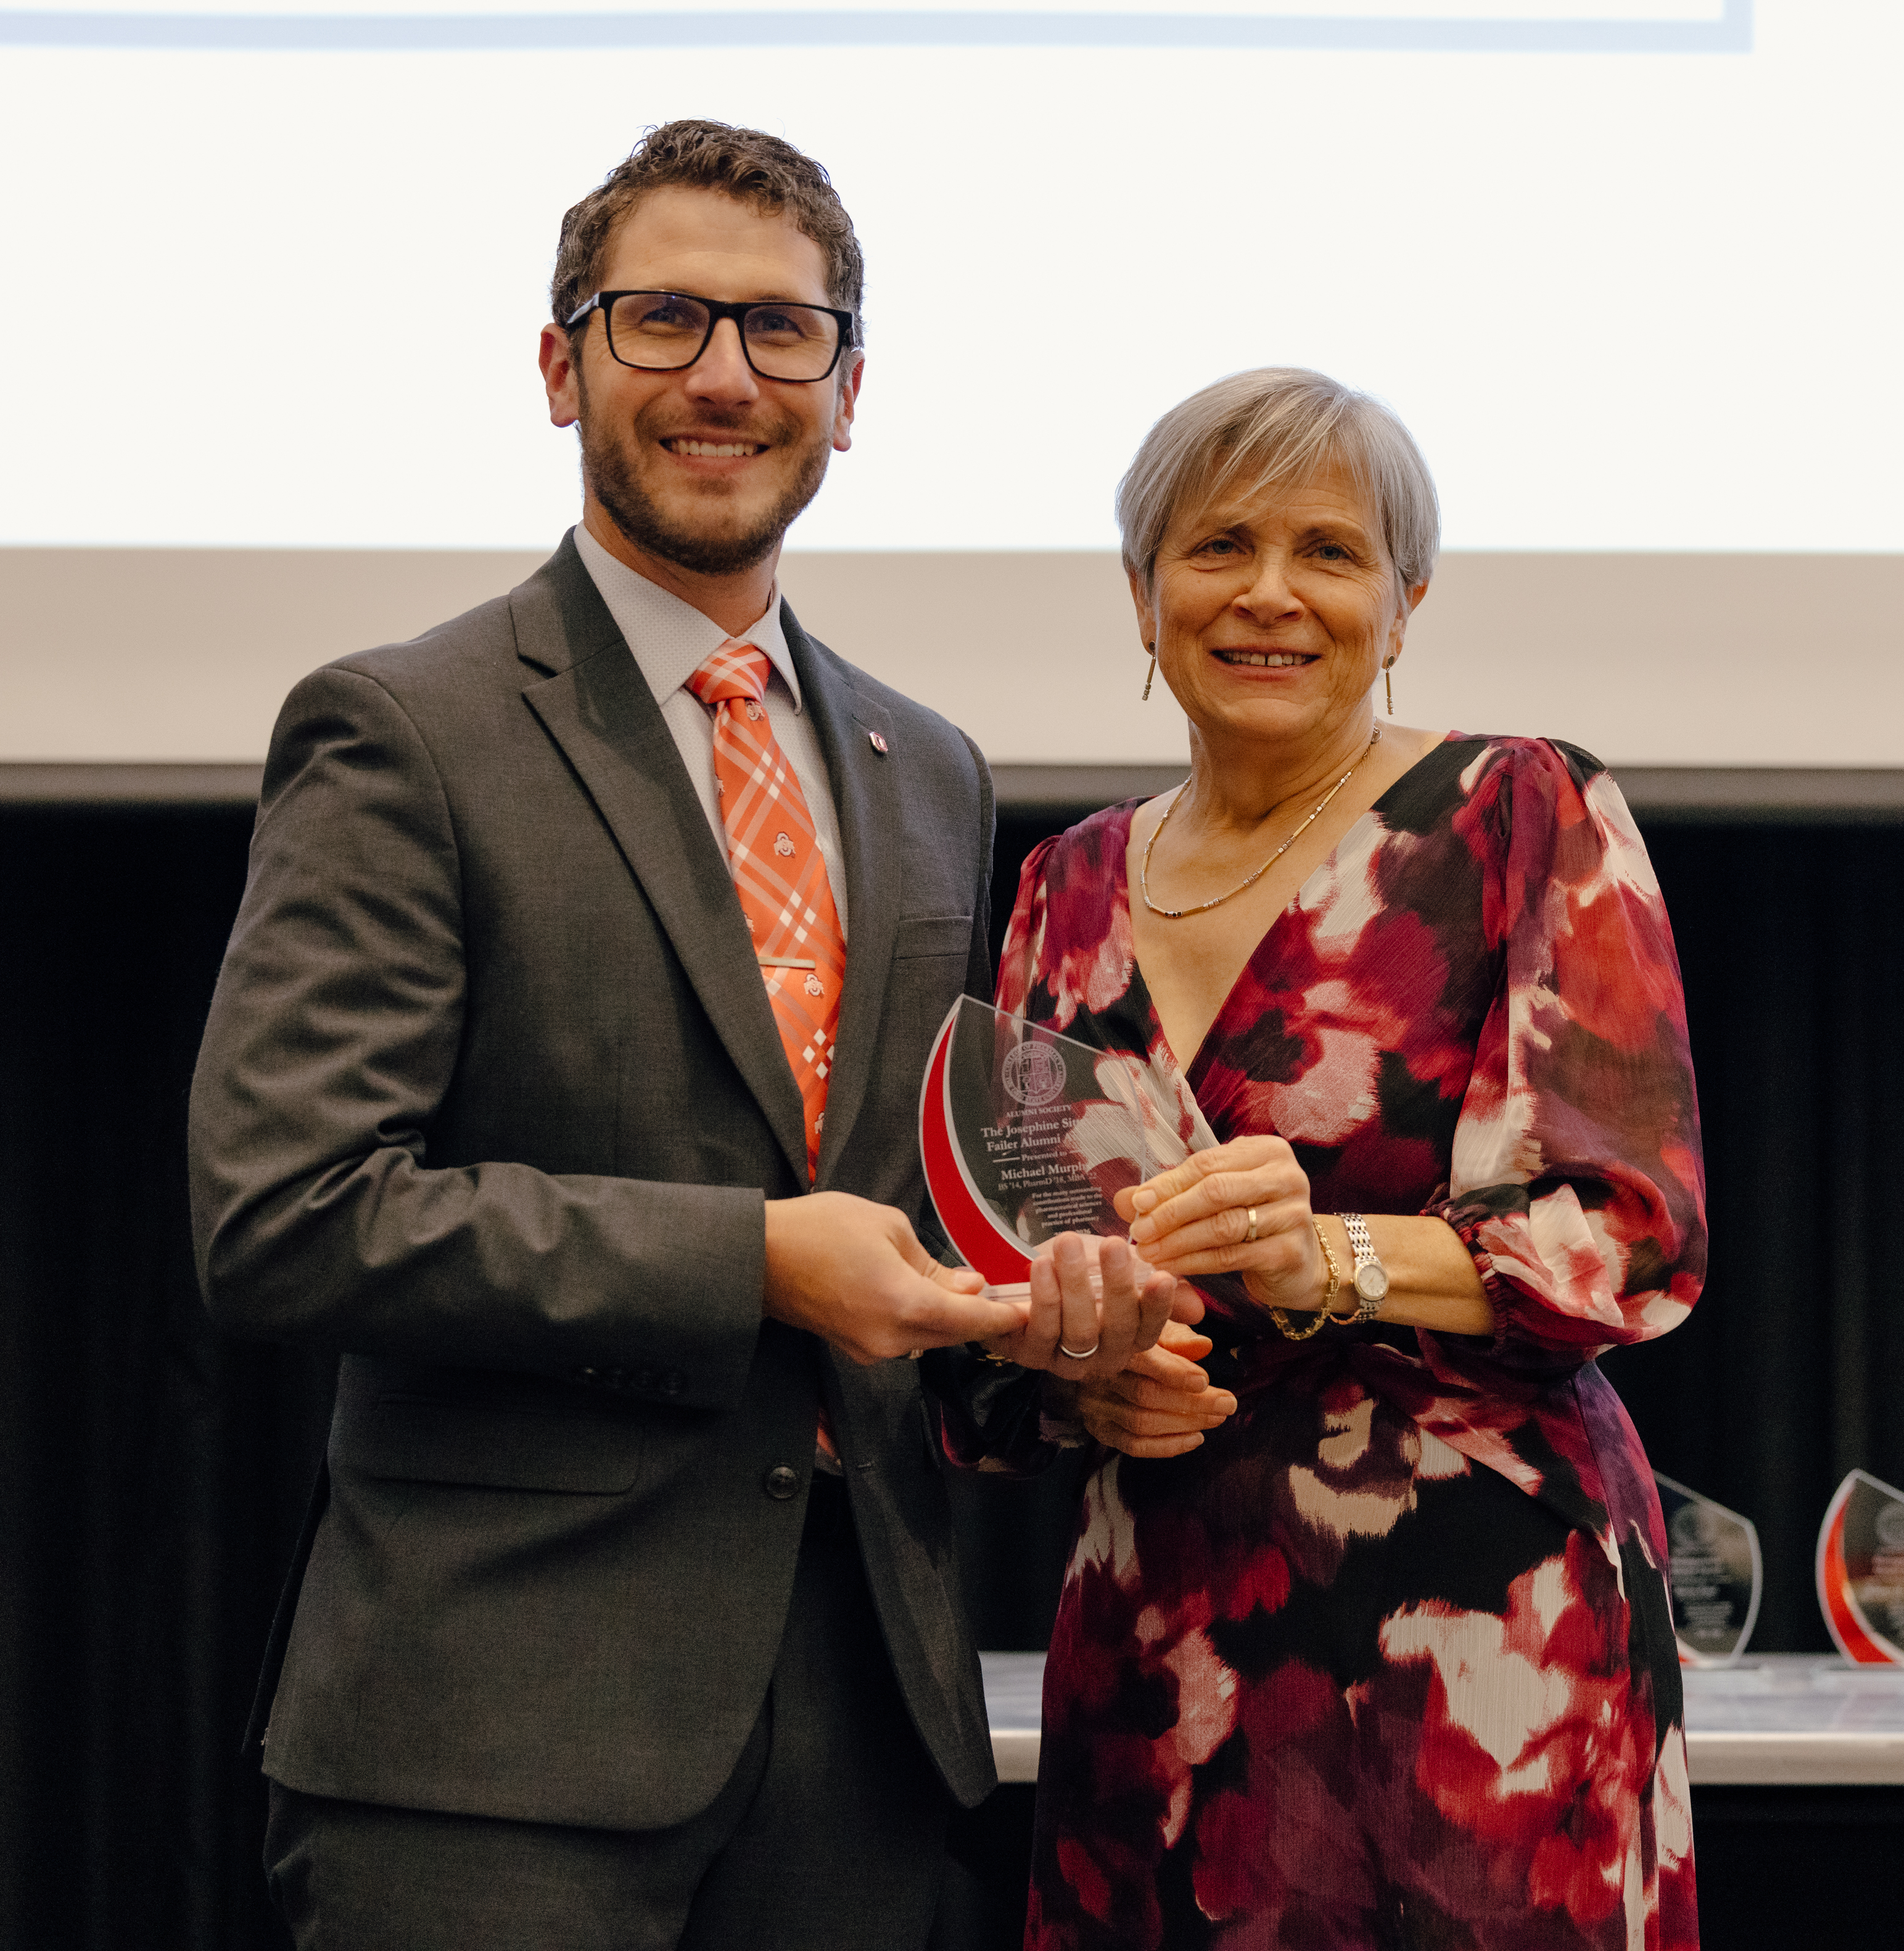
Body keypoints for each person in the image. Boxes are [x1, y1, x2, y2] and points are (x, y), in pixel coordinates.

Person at [187, 122, 1170, 1950]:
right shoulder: (406, 730)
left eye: (780, 332)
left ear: (847, 391)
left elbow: (907, 1228)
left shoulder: (925, 766)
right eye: (662, 320)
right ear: (560, 362)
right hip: (492, 1761)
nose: (724, 374)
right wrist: (753, 1264)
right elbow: (287, 1212)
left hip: (864, 1760)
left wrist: (1054, 1342)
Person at [936, 369, 1708, 1949]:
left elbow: (1630, 1233)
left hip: (1480, 1636)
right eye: (1218, 546)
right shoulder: (1061, 887)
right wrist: (1081, 1372)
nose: (1269, 595)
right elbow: (993, 1279)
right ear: (1143, 595)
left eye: (1330, 552)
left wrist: (1333, 1256)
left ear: (1404, 602)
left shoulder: (1519, 806)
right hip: (1159, 1629)